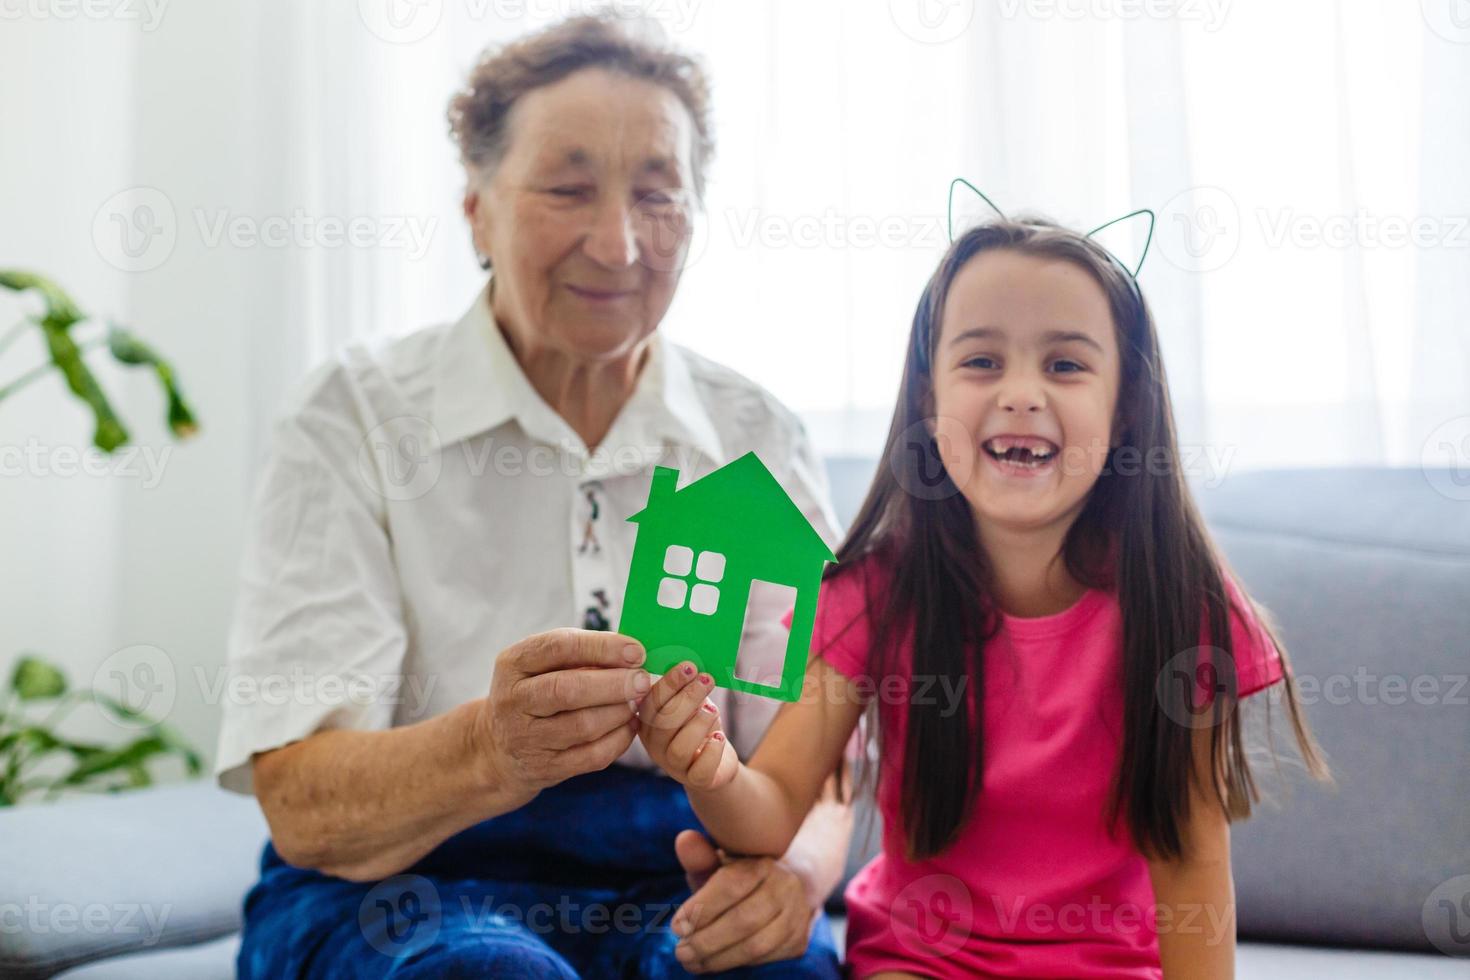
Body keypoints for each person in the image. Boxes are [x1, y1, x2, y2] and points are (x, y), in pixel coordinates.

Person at [215, 14, 850, 978]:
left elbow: (825, 750)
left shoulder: (755, 435)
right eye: (567, 188)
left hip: (678, 863)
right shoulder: (353, 415)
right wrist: (488, 748)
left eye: (659, 195)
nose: (619, 243)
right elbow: (301, 802)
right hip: (405, 880)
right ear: (476, 207)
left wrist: (798, 876)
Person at [637, 216, 1332, 978]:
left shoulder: (1181, 604)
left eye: (1066, 364)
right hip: (920, 961)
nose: (1022, 394)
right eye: (981, 361)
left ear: (1125, 405)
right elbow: (770, 813)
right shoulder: (875, 592)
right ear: (930, 401)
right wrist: (709, 768)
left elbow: (1191, 865)